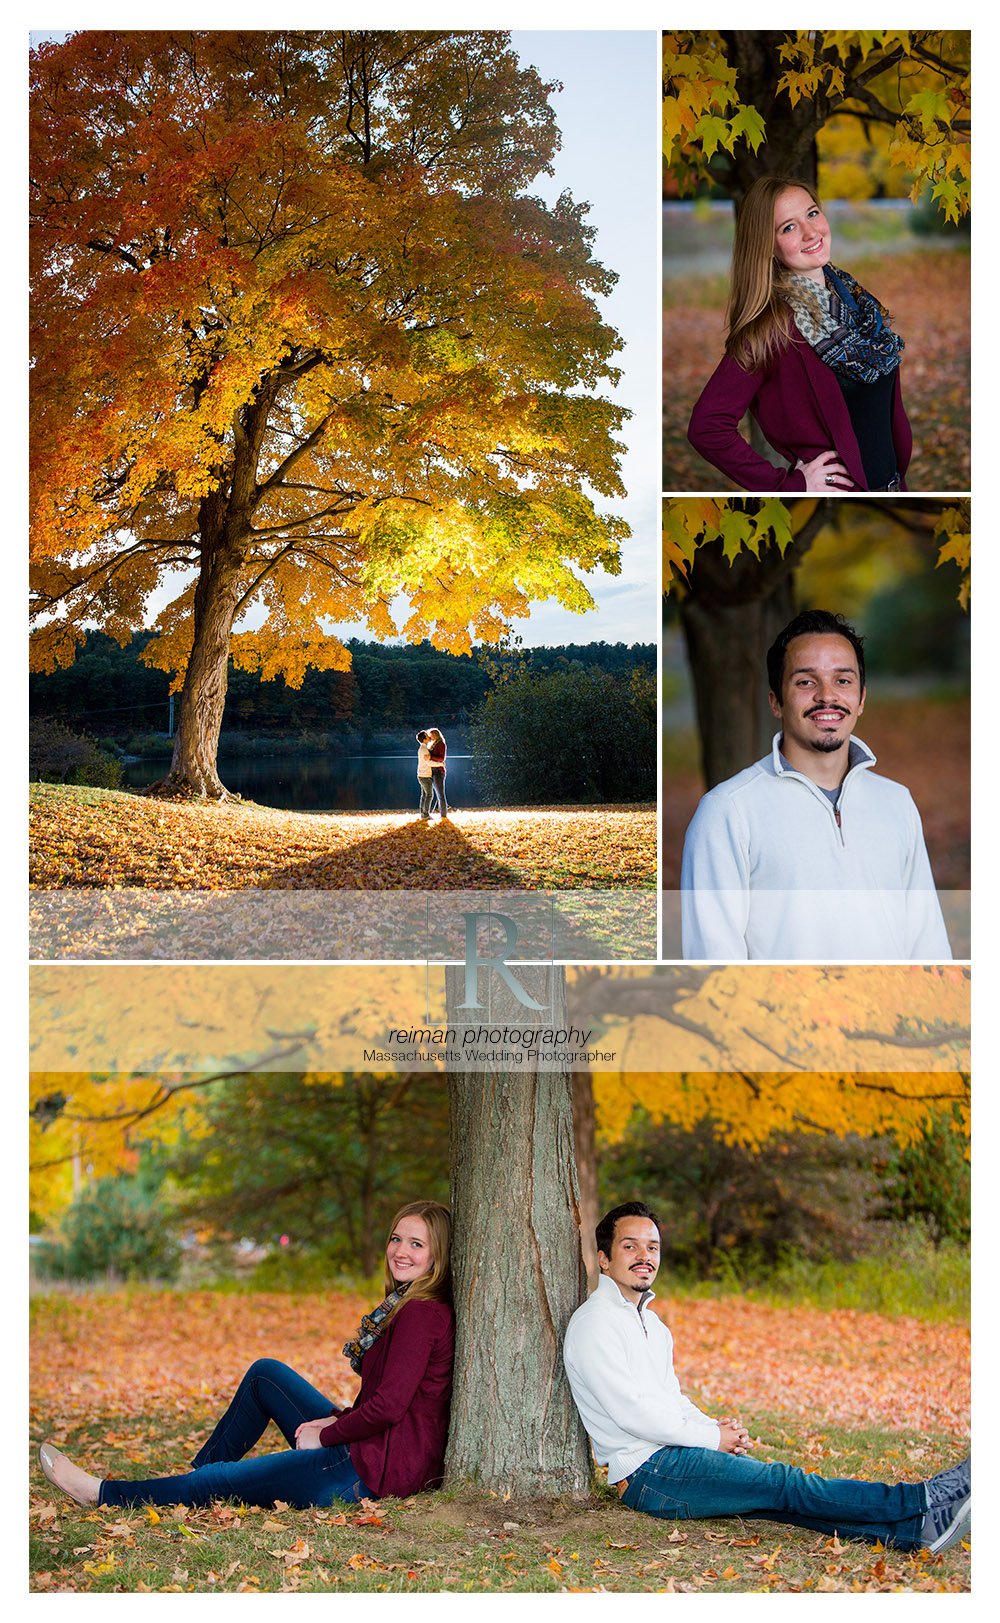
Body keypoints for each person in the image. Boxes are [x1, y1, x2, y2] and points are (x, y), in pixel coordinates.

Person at [564, 1202, 971, 1553]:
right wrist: (711, 1440)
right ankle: (923, 1498)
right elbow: (631, 1413)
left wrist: (715, 1429)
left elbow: (672, 1399)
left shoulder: (653, 1325)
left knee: (779, 1502)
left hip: (670, 1458)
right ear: (604, 1258)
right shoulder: (596, 1323)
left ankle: (915, 1533)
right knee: (786, 1483)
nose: (644, 1256)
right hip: (647, 1474)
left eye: (652, 1247)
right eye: (629, 1246)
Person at [39, 1200, 454, 1511]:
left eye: (416, 1244)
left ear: (437, 1256)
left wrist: (324, 1435)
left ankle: (101, 1494)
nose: (401, 1251)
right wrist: (338, 1419)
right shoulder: (406, 1304)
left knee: (221, 1481)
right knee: (266, 1376)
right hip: (373, 1452)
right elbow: (385, 1402)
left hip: (363, 1474)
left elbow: (389, 1408)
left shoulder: (420, 1313)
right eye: (397, 1238)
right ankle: (191, 1481)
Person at [680, 609, 951, 960]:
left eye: (843, 680)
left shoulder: (896, 802)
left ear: (861, 699)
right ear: (775, 701)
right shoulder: (728, 811)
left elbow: (927, 943)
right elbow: (712, 962)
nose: (827, 696)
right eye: (806, 682)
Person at [687, 176, 911, 493]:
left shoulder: (858, 305)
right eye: (788, 227)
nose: (810, 232)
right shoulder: (772, 331)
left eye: (812, 213)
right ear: (768, 244)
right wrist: (791, 486)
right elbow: (707, 428)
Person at [427, 727, 449, 819]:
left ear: (435, 734)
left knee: (440, 794)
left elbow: (441, 758)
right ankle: (442, 814)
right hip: (433, 771)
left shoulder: (441, 744)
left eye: (431, 735)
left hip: (439, 772)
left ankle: (443, 815)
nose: (430, 737)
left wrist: (430, 757)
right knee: (438, 794)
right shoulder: (433, 744)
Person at [415, 729, 434, 820]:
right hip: (425, 775)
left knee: (424, 795)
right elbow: (429, 763)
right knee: (429, 795)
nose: (429, 736)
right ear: (424, 738)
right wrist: (441, 764)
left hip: (421, 774)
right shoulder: (424, 749)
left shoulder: (422, 748)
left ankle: (423, 814)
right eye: (427, 735)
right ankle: (425, 814)